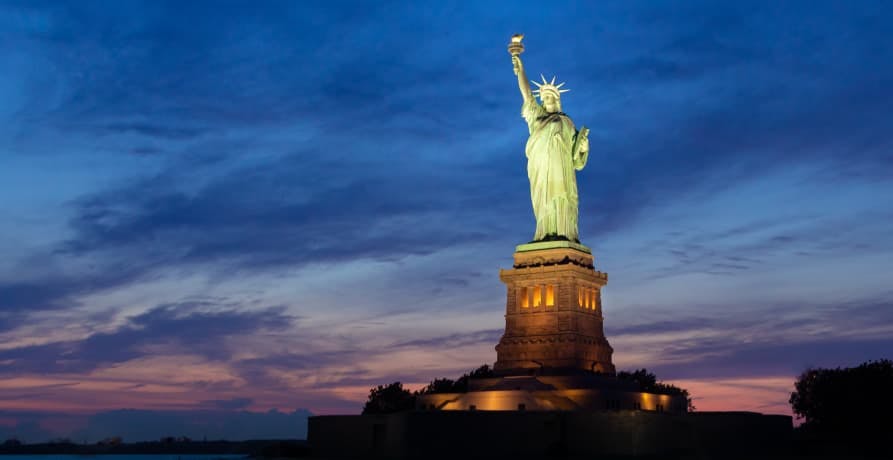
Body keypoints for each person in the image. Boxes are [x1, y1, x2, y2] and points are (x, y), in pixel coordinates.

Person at [512, 54, 589, 243]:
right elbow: (527, 95)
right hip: (541, 167)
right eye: (544, 97)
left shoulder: (567, 123)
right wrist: (520, 68)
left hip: (562, 170)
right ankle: (544, 233)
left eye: (550, 96)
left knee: (562, 198)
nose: (546, 99)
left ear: (557, 99)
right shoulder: (537, 118)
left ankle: (565, 233)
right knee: (544, 201)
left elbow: (576, 161)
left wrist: (583, 147)